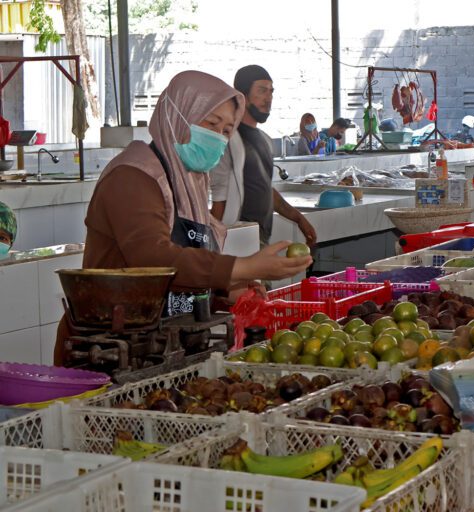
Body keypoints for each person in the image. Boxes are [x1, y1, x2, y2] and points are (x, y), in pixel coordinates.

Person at [53, 70, 312, 365]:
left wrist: (224, 291)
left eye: (227, 130)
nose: (218, 137)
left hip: (159, 346)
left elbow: (186, 264)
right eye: (211, 123)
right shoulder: (134, 176)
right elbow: (152, 259)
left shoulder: (190, 182)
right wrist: (240, 267)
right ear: (179, 114)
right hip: (109, 352)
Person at [210, 65, 316, 247]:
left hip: (259, 240)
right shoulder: (228, 139)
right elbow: (220, 197)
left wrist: (299, 218)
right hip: (235, 241)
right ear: (241, 95)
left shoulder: (265, 141)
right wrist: (209, 247)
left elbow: (266, 190)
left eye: (271, 92)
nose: (268, 98)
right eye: (261, 90)